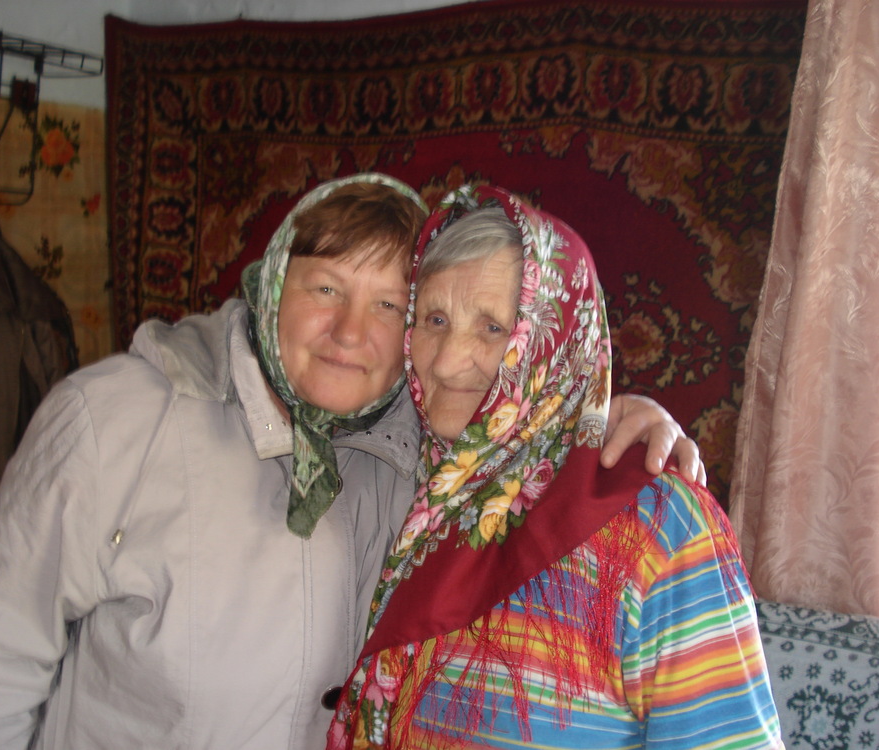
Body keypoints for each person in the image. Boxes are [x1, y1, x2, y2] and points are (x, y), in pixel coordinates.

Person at [0, 174, 702, 750]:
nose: (351, 331)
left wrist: (607, 419)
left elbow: (524, 419)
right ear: (270, 284)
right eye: (325, 287)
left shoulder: (430, 460)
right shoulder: (115, 420)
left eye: (390, 305)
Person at [328, 186, 783, 749]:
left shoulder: (660, 529)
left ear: (557, 340)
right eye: (435, 319)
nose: (445, 362)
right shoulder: (396, 482)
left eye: (493, 328)